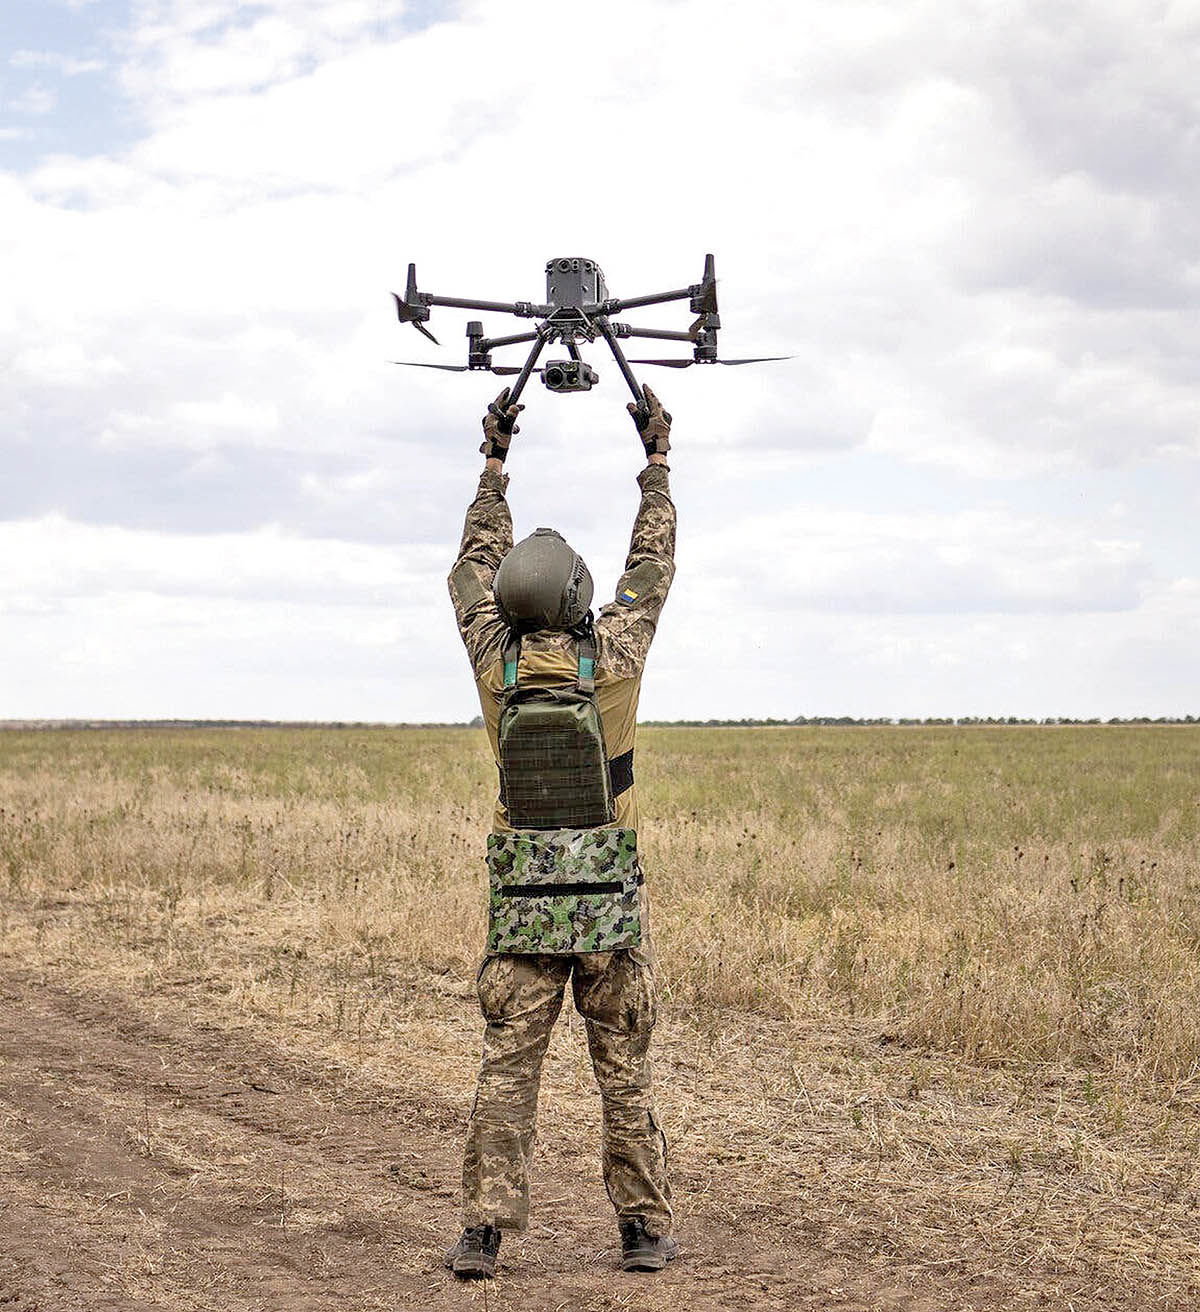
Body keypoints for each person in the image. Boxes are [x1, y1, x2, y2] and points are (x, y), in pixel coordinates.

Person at [443, 383, 678, 1279]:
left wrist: (493, 461)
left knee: (508, 1070)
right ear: (579, 594)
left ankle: (484, 1235)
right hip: (608, 904)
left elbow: (470, 563)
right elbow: (652, 568)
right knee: (623, 1070)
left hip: (523, 905)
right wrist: (655, 461)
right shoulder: (615, 653)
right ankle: (642, 1232)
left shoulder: (492, 658)